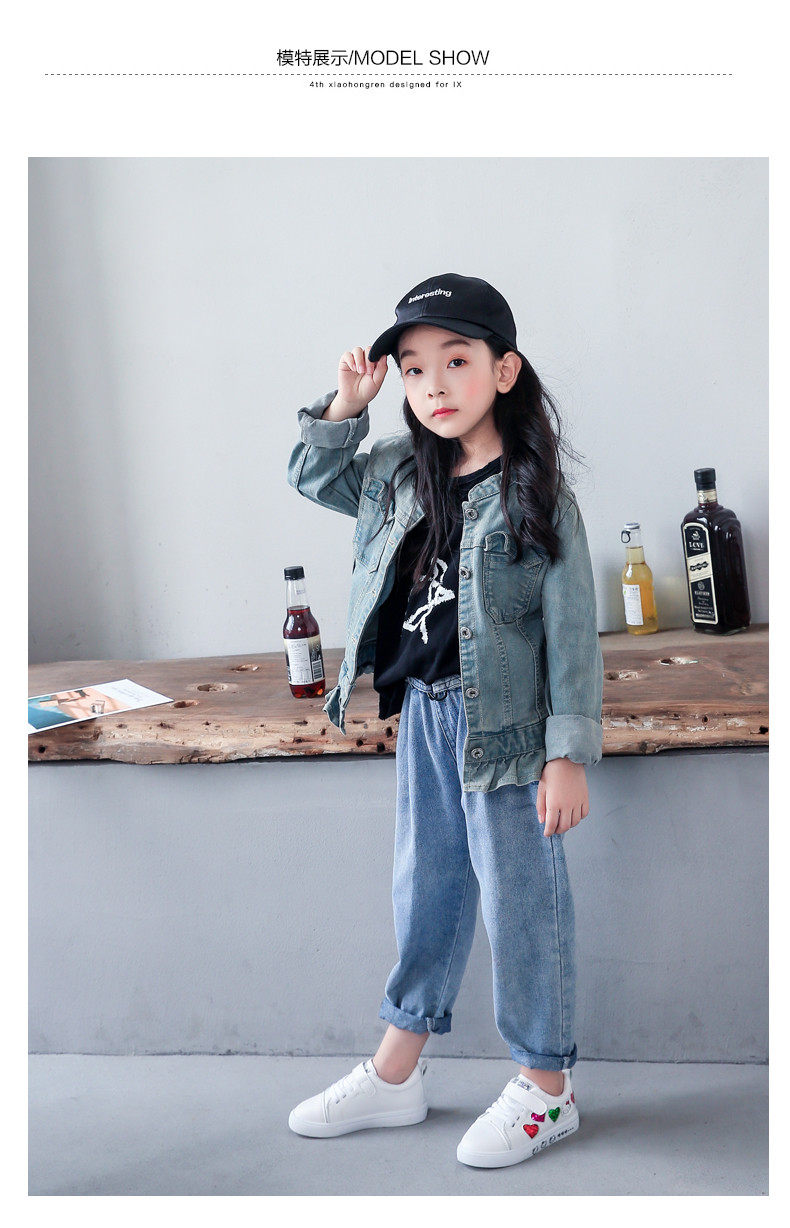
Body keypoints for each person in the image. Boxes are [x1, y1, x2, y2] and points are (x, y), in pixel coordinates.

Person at [285, 273, 604, 1169]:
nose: (433, 385)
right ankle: (397, 1072)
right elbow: (312, 474)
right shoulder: (395, 472)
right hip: (422, 721)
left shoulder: (542, 499)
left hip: (507, 731)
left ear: (504, 371)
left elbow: (572, 636)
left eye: (455, 361)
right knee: (422, 891)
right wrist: (347, 406)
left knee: (521, 905)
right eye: (415, 368)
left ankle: (547, 1086)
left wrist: (568, 753)